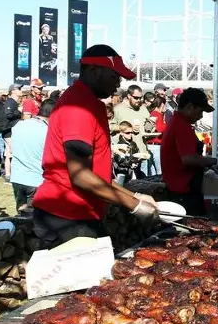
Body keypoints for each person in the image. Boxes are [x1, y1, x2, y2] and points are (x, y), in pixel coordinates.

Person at [31, 45, 158, 249]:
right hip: (66, 217)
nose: (119, 84)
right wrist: (134, 206)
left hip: (79, 214)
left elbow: (96, 175)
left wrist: (134, 196)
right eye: (115, 76)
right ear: (94, 71)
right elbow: (80, 175)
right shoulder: (79, 107)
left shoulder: (89, 103)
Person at [161, 88, 218, 215]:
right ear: (190, 106)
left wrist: (206, 163)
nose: (201, 116)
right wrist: (214, 161)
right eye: (200, 111)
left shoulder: (177, 122)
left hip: (180, 188)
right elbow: (188, 159)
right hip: (184, 191)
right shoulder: (182, 126)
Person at [10, 99, 54, 211]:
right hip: (36, 179)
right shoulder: (47, 131)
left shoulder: (18, 126)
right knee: (35, 220)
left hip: (17, 177)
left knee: (21, 215)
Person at [111, 84, 151, 174]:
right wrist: (125, 128)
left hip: (142, 153)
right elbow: (109, 126)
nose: (139, 100)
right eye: (136, 98)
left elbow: (149, 124)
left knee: (142, 184)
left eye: (141, 98)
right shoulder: (118, 109)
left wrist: (149, 128)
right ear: (129, 96)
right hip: (126, 156)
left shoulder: (143, 108)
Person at [0, 85, 22, 180]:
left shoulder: (13, 102)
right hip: (10, 131)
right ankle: (12, 175)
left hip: (9, 131)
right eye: (19, 89)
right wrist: (19, 112)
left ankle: (8, 174)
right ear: (13, 91)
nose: (21, 91)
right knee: (14, 153)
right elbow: (8, 115)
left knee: (8, 154)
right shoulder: (10, 102)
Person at [144, 94, 167, 176]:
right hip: (155, 145)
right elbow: (161, 128)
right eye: (164, 104)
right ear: (161, 104)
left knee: (153, 171)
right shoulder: (157, 114)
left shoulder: (154, 113)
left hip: (152, 145)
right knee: (159, 171)